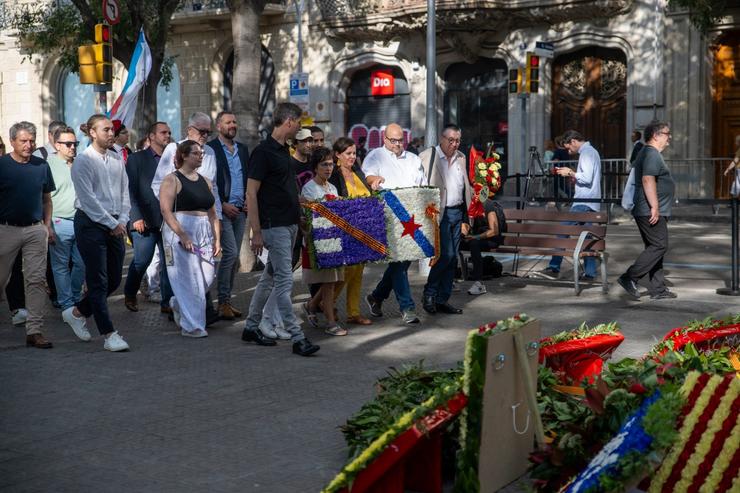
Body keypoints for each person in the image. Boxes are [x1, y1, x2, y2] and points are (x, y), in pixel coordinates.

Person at [242, 102, 320, 357]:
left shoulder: (283, 151)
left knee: (269, 278)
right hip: (273, 226)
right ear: (288, 122)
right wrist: (256, 231)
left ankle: (251, 327)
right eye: (298, 123)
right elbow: (251, 194)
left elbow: (286, 189)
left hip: (289, 224)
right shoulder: (263, 152)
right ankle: (298, 338)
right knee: (285, 282)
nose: (299, 127)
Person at [63, 114, 131, 352]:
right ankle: (109, 334)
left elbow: (125, 192)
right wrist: (110, 223)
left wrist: (121, 220)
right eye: (105, 130)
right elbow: (88, 200)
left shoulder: (116, 159)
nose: (111, 134)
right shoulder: (84, 161)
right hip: (90, 224)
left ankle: (77, 312)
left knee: (113, 279)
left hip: (115, 223)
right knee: (97, 280)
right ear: (92, 133)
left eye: (112, 130)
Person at [152, 112, 222, 324]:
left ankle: (178, 303)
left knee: (207, 275)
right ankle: (193, 324)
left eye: (209, 133)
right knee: (184, 274)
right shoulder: (174, 149)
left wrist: (215, 222)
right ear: (189, 129)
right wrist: (177, 205)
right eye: (202, 132)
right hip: (180, 220)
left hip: (205, 222)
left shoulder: (209, 152)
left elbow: (213, 189)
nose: (205, 136)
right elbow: (159, 183)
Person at [362, 123, 426, 325]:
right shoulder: (376, 155)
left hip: (412, 219)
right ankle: (407, 308)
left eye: (401, 140)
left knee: (402, 262)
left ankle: (377, 296)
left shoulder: (414, 159)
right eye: (394, 140)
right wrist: (374, 180)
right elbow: (369, 174)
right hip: (389, 217)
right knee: (399, 262)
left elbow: (423, 186)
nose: (398, 144)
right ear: (385, 139)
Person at [0, 121, 55, 348]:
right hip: (5, 229)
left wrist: (46, 225)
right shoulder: (2, 165)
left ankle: (34, 330)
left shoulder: (41, 166)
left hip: (35, 229)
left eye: (32, 140)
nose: (28, 145)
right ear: (12, 141)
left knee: (36, 280)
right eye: (23, 141)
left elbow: (46, 199)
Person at [618, 121, 676, 300]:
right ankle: (630, 277)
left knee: (654, 247)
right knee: (660, 245)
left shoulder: (648, 152)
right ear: (656, 135)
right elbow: (647, 179)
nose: (670, 137)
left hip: (647, 209)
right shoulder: (651, 154)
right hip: (648, 209)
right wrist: (655, 206)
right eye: (667, 133)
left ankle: (658, 289)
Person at [123, 122, 174, 314]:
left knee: (169, 262)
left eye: (169, 132)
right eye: (163, 132)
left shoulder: (172, 159)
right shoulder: (137, 159)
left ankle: (167, 301)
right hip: (144, 218)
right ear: (151, 136)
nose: (167, 135)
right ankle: (129, 292)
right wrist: (135, 216)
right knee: (142, 260)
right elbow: (130, 190)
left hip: (168, 220)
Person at [419, 124, 470, 315]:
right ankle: (429, 293)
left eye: (457, 141)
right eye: (451, 140)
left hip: (457, 212)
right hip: (439, 214)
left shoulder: (461, 158)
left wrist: (466, 218)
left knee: (452, 258)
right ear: (442, 138)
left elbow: (465, 188)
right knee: (445, 255)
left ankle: (442, 299)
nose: (454, 144)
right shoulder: (428, 156)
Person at [541, 130, 602, 280]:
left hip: (583, 202)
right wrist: (575, 177)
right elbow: (588, 178)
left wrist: (571, 173)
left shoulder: (586, 152)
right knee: (587, 238)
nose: (569, 151)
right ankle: (589, 272)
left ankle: (554, 267)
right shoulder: (591, 151)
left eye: (568, 147)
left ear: (574, 141)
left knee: (563, 230)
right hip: (591, 202)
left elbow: (587, 178)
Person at [207, 111, 249, 319]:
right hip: (222, 211)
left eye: (234, 121)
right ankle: (222, 301)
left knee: (233, 259)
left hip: (241, 210)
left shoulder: (242, 149)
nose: (233, 125)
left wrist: (249, 199)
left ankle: (227, 301)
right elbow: (209, 181)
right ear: (218, 126)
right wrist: (222, 205)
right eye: (228, 122)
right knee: (230, 254)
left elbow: (247, 177)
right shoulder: (211, 149)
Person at [300, 148, 346, 336]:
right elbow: (308, 217)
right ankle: (330, 323)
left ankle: (311, 305)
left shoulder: (332, 188)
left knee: (336, 279)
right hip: (318, 242)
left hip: (334, 240)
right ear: (315, 167)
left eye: (331, 164)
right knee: (328, 283)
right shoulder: (309, 188)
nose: (328, 168)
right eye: (324, 164)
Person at [329, 137, 373, 326]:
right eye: (348, 153)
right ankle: (324, 303)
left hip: (363, 230)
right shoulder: (334, 175)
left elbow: (368, 192)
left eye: (354, 153)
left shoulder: (357, 170)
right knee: (347, 271)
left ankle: (353, 313)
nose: (352, 157)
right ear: (338, 155)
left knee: (358, 273)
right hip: (345, 231)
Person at [47, 126, 85, 315]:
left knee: (82, 262)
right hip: (59, 222)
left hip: (82, 221)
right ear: (57, 145)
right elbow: (43, 198)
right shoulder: (48, 165)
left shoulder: (80, 163)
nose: (72, 147)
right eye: (68, 144)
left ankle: (75, 297)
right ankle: (67, 304)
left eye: (75, 143)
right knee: (60, 265)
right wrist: (47, 226)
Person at [461, 195, 505, 295]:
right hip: (475, 237)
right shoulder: (466, 205)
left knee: (474, 244)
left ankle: (479, 284)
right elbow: (466, 225)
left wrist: (475, 237)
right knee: (454, 243)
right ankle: (451, 280)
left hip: (491, 238)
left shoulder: (487, 204)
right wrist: (463, 233)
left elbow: (494, 231)